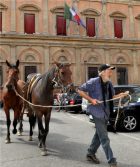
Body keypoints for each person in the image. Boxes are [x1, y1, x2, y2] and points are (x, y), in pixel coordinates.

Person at [78, 64, 128, 167]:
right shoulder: (93, 81)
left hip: (106, 113)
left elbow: (112, 96)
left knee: (99, 134)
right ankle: (112, 161)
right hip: (97, 113)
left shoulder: (109, 83)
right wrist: (91, 100)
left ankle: (90, 153)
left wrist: (121, 95)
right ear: (102, 72)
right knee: (104, 138)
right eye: (109, 70)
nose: (111, 72)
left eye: (111, 70)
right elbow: (79, 90)